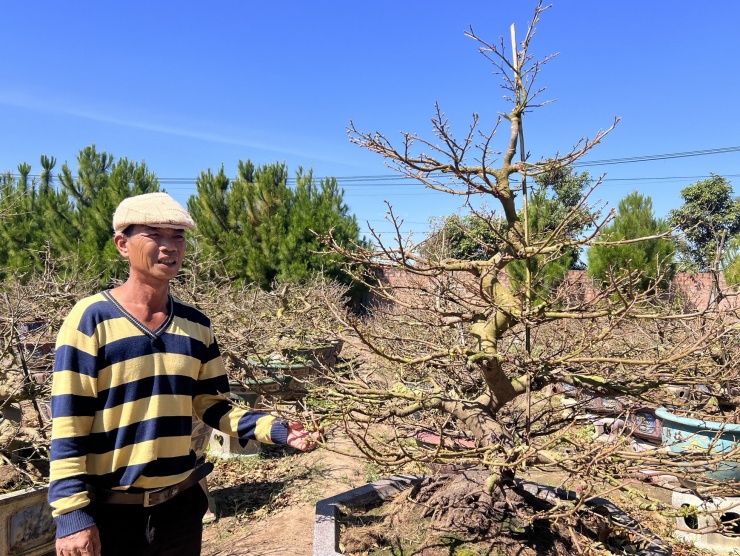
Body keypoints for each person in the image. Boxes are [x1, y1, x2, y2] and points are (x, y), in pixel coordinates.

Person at [48, 192, 318, 556]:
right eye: (154, 234)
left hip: (180, 509)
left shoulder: (197, 325)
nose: (169, 247)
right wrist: (71, 514)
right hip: (110, 514)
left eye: (178, 236)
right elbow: (69, 423)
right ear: (122, 244)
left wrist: (278, 430)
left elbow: (213, 407)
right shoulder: (90, 320)